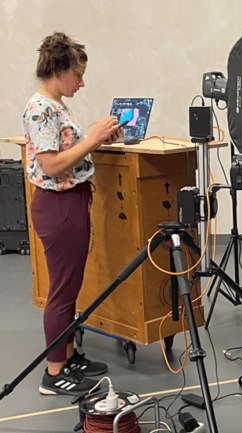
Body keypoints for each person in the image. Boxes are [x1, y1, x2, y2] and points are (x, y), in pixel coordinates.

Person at [22, 32, 123, 396]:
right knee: (62, 291)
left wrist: (95, 134)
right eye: (77, 74)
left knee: (70, 286)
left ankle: (67, 354)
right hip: (59, 205)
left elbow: (66, 149)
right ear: (59, 69)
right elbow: (50, 166)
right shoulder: (41, 109)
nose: (81, 82)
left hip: (70, 203)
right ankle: (54, 371)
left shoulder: (56, 105)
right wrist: (92, 140)